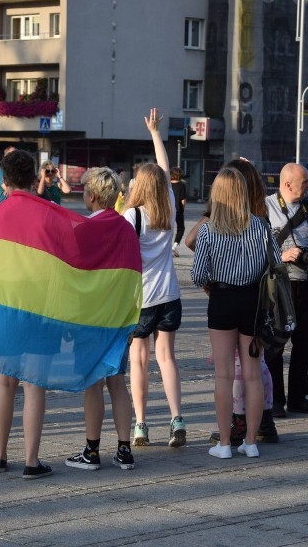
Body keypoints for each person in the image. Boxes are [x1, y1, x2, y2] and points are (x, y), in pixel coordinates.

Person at [0, 150, 140, 479]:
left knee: (3, 383)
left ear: (4, 179)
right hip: (40, 310)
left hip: (3, 308)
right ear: (34, 178)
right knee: (33, 387)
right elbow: (67, 264)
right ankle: (31, 461)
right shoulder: (51, 214)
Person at [186, 157, 278, 443]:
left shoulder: (208, 230)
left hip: (222, 299)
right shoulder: (261, 227)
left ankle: (225, 442)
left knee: (223, 374)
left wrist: (212, 284)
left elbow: (198, 274)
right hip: (252, 301)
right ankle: (251, 441)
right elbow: (275, 266)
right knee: (252, 374)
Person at [65, 167, 139, 470]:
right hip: (118, 319)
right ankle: (124, 449)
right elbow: (135, 275)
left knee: (92, 384)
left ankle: (91, 451)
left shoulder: (82, 229)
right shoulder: (125, 228)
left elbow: (72, 276)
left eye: (84, 191)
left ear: (93, 196)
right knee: (118, 383)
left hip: (88, 318)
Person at [123, 108, 185, 448]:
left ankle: (142, 425)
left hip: (141, 299)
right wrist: (155, 134)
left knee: (139, 360)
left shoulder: (132, 215)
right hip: (170, 296)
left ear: (138, 186)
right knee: (167, 358)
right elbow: (163, 169)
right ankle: (177, 420)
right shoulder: (170, 208)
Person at [264, 163, 308, 418]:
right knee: (276, 342)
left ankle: (299, 398)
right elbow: (256, 248)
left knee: (305, 343)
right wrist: (282, 254)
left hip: (306, 283)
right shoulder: (265, 207)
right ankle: (275, 400)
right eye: (306, 182)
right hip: (279, 283)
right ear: (288, 183)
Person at [170, 168, 188, 257]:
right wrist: (183, 208)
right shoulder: (182, 185)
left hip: (168, 210)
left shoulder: (167, 184)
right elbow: (183, 200)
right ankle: (175, 245)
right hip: (178, 210)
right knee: (181, 228)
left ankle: (167, 247)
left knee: (169, 228)